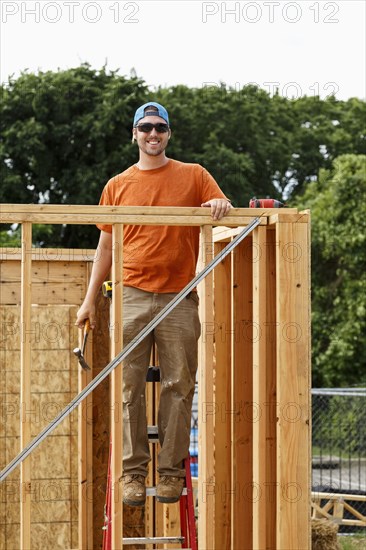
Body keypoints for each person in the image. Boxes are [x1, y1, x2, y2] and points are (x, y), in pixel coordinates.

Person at [75, 101, 232, 506]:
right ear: (134, 134)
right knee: (130, 388)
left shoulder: (194, 175)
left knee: (179, 385)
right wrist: (89, 301)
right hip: (130, 293)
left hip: (180, 295)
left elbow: (222, 209)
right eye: (145, 127)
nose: (153, 134)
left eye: (160, 127)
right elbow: (105, 245)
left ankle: (169, 472)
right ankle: (131, 475)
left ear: (168, 134)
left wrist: (219, 206)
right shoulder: (117, 185)